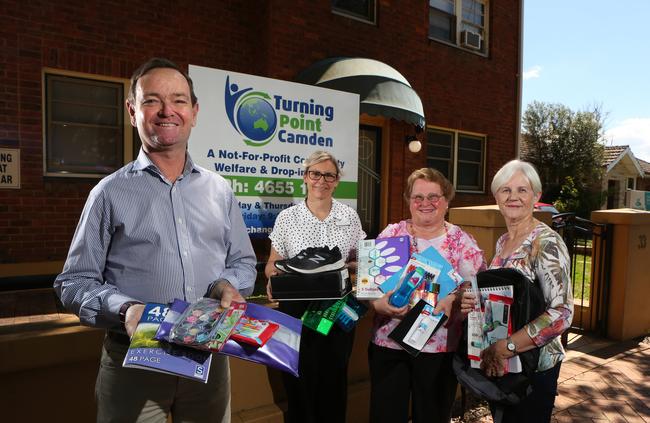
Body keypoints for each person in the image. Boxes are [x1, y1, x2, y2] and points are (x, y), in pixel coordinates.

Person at [54, 58, 257, 423]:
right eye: (152, 101)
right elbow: (73, 283)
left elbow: (243, 262)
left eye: (179, 100)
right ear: (133, 112)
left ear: (194, 112)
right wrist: (125, 309)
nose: (167, 111)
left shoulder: (220, 190)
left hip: (209, 360)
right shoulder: (109, 193)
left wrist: (229, 284)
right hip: (136, 365)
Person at [368, 168, 486, 423]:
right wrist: (379, 304)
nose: (425, 204)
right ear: (408, 201)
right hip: (389, 344)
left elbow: (476, 289)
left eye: (433, 197)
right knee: (385, 416)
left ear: (446, 200)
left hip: (438, 348)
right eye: (417, 197)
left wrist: (453, 299)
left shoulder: (461, 242)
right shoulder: (392, 234)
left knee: (432, 416)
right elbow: (368, 287)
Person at [460, 159, 573, 423]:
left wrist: (507, 347)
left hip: (534, 367)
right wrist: (473, 303)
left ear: (536, 196)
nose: (513, 197)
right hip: (504, 365)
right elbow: (504, 296)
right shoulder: (504, 241)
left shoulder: (546, 242)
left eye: (522, 190)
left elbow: (562, 313)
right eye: (505, 190)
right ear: (496, 196)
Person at [264, 150, 366, 423]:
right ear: (306, 177)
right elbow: (273, 264)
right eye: (315, 174)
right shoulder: (287, 218)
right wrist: (274, 279)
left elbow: (360, 260)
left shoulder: (349, 217)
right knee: (299, 380)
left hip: (337, 310)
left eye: (329, 175)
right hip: (297, 312)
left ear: (336, 181)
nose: (322, 180)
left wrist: (355, 271)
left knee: (334, 380)